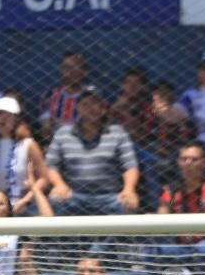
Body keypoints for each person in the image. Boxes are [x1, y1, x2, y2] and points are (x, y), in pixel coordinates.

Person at [44, 84, 139, 216]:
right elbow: (51, 165)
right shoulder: (63, 133)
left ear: (103, 109)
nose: (91, 108)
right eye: (86, 104)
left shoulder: (117, 133)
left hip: (111, 196)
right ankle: (66, 238)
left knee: (128, 203)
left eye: (95, 104)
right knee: (56, 198)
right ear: (78, 107)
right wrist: (60, 184)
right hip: (74, 195)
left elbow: (130, 166)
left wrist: (129, 189)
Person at [0, 96, 49, 216]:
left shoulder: (28, 145)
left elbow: (43, 179)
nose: (3, 119)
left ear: (16, 119)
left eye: (8, 115)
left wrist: (26, 201)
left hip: (22, 207)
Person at [179, 50, 205, 150]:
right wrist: (165, 109)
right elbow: (178, 111)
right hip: (203, 148)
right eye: (204, 69)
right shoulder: (191, 94)